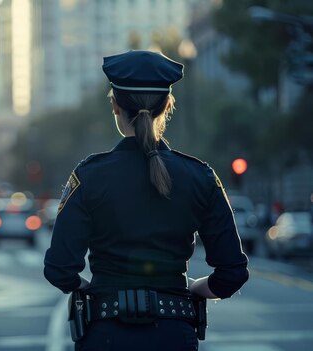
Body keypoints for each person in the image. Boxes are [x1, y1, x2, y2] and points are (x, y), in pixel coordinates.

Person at [43, 50, 249, 351]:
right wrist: (194, 288)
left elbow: (59, 269)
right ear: (167, 105)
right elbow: (233, 273)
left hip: (105, 336)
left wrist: (96, 292)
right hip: (174, 336)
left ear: (115, 106)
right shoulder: (200, 176)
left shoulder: (89, 176)